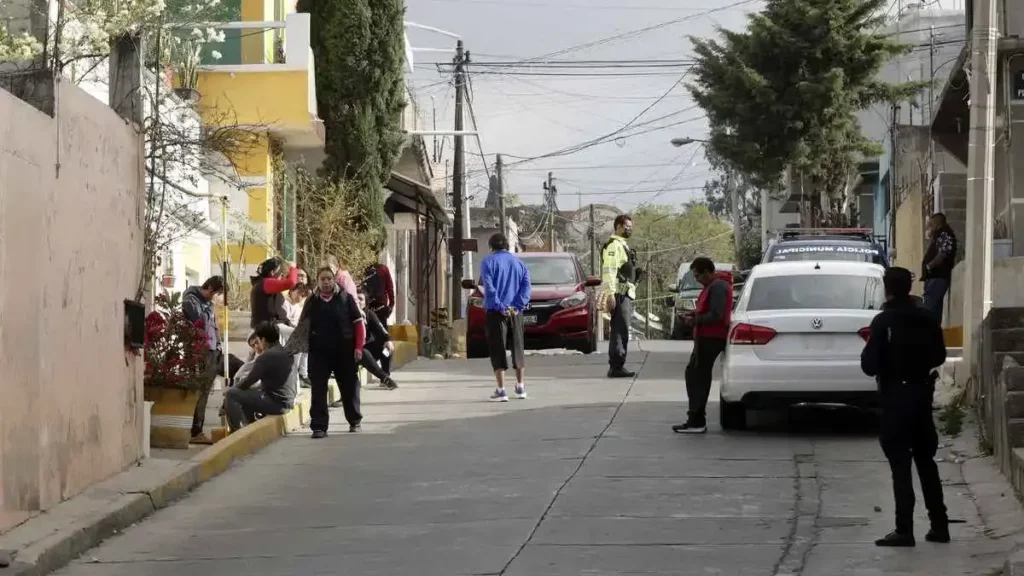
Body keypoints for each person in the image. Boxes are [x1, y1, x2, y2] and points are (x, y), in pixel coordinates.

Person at [861, 266, 949, 547]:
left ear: (887, 289)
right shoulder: (926, 318)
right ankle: (939, 525)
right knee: (926, 462)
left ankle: (904, 529)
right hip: (921, 395)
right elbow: (939, 355)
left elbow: (869, 365)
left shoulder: (882, 322)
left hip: (895, 399)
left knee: (900, 466)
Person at [297, 267, 366, 437]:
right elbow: (303, 327)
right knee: (318, 389)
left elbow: (358, 324)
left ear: (334, 280)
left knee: (349, 387)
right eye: (322, 279)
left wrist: (358, 347)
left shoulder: (345, 298)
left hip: (344, 351)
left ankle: (354, 420)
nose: (326, 282)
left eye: (329, 278)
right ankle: (319, 427)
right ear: (318, 281)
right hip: (319, 353)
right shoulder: (312, 301)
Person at [672, 258, 732, 434]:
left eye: (698, 275)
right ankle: (695, 417)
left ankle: (696, 419)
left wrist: (694, 320)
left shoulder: (718, 287)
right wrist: (692, 315)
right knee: (694, 374)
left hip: (712, 337)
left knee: (697, 376)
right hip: (705, 337)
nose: (697, 279)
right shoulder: (711, 287)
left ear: (707, 271)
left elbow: (716, 314)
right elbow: (707, 310)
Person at [478, 233, 531, 402]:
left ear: (491, 247)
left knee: (497, 348)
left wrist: (501, 306)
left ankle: (501, 390)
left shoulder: (487, 262)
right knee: (518, 347)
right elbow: (526, 288)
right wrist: (516, 306)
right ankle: (520, 386)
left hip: (496, 312)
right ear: (507, 246)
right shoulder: (520, 263)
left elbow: (490, 288)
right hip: (516, 312)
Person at [223, 322, 297, 432]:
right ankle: (250, 426)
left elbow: (248, 381)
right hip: (288, 401)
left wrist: (231, 389)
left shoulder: (266, 356)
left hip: (277, 404)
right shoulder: (286, 351)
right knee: (247, 393)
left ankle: (237, 432)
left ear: (263, 340)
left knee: (232, 395)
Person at [181, 275, 226, 445]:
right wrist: (208, 307)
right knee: (200, 390)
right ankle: (196, 429)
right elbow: (198, 322)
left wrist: (219, 344)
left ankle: (198, 427)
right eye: (215, 294)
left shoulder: (208, 304)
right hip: (199, 350)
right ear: (209, 289)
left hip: (213, 350)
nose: (216, 298)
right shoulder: (190, 300)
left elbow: (213, 326)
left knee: (207, 389)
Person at [600, 214, 640, 378]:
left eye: (631, 227)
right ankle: (616, 365)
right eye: (626, 227)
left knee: (622, 329)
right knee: (619, 329)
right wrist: (610, 294)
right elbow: (609, 271)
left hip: (625, 293)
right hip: (618, 294)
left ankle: (618, 364)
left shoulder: (623, 245)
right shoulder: (614, 246)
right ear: (618, 227)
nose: (629, 229)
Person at [356, 290, 399, 390]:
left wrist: (388, 340)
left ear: (366, 303)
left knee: (386, 349)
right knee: (363, 352)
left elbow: (382, 330)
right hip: (352, 351)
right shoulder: (347, 314)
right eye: (356, 298)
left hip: (367, 350)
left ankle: (386, 375)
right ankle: (384, 377)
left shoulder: (369, 314)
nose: (358, 301)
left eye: (361, 299)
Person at [921, 213, 957, 324]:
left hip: (937, 277)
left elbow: (943, 254)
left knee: (930, 310)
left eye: (931, 225)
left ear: (937, 224)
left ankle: (930, 336)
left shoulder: (944, 235)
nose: (929, 228)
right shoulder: (940, 235)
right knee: (933, 310)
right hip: (935, 277)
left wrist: (929, 266)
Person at [362, 259, 396, 374]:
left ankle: (385, 370)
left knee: (383, 341)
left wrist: (390, 305)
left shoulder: (382, 269)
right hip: (368, 309)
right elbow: (390, 288)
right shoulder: (366, 269)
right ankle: (377, 367)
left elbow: (389, 287)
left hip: (378, 309)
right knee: (376, 340)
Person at [250, 257, 299, 329]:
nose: (282, 278)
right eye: (281, 274)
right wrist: (293, 268)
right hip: (269, 326)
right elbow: (291, 283)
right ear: (272, 272)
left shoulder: (261, 283)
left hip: (273, 324)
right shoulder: (267, 283)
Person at [287, 283, 311, 388]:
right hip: (289, 332)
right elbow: (285, 320)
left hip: (299, 332)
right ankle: (297, 375)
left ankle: (303, 374)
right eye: (298, 294)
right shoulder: (286, 303)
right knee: (298, 351)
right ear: (292, 291)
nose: (299, 297)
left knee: (305, 349)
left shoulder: (298, 306)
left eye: (302, 296)